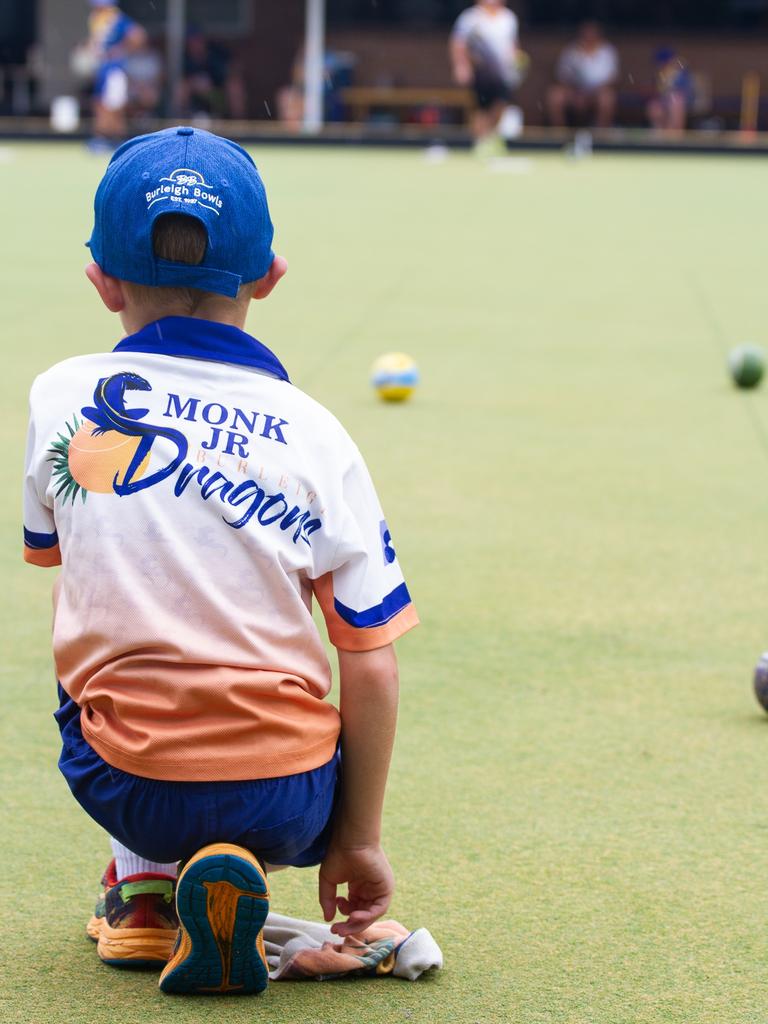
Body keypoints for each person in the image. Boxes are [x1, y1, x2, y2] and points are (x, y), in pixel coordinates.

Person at [22, 126, 418, 996]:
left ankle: (142, 893)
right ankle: (228, 864)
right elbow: (373, 663)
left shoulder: (60, 398)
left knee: (88, 629)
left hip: (126, 780)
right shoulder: (317, 433)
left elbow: (55, 560)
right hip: (288, 798)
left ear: (102, 283)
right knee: (333, 648)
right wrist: (354, 840)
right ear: (269, 277)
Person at [450, 0, 523, 146]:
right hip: (481, 71)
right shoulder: (470, 17)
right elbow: (458, 43)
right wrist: (461, 65)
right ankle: (479, 141)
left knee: (501, 105)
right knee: (481, 108)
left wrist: (517, 59)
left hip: (503, 73)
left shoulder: (509, 18)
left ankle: (489, 138)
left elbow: (512, 43)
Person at [84, 0, 147, 147]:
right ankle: (102, 137)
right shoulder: (97, 18)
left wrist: (122, 50)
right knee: (100, 102)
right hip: (103, 67)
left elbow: (138, 35)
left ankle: (114, 139)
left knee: (112, 105)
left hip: (114, 69)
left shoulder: (115, 18)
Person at [547, 22, 619, 129]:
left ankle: (601, 136)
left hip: (597, 93)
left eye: (592, 33)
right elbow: (562, 76)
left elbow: (613, 78)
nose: (588, 37)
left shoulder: (607, 51)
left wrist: (592, 93)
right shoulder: (571, 50)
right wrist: (576, 93)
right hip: (574, 91)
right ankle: (560, 134)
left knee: (607, 98)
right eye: (586, 34)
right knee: (555, 95)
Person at [177, 27, 246, 121]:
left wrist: (211, 88)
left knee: (235, 86)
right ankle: (180, 120)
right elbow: (182, 79)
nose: (195, 44)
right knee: (182, 88)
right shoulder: (185, 59)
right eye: (192, 41)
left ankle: (238, 124)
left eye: (197, 40)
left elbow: (232, 70)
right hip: (195, 96)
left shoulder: (215, 55)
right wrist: (194, 84)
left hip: (217, 94)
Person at [647, 48, 694, 133]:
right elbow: (659, 92)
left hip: (682, 101)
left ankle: (674, 135)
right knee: (654, 107)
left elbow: (683, 92)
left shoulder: (681, 70)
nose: (662, 65)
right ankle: (659, 135)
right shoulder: (660, 73)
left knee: (676, 101)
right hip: (665, 100)